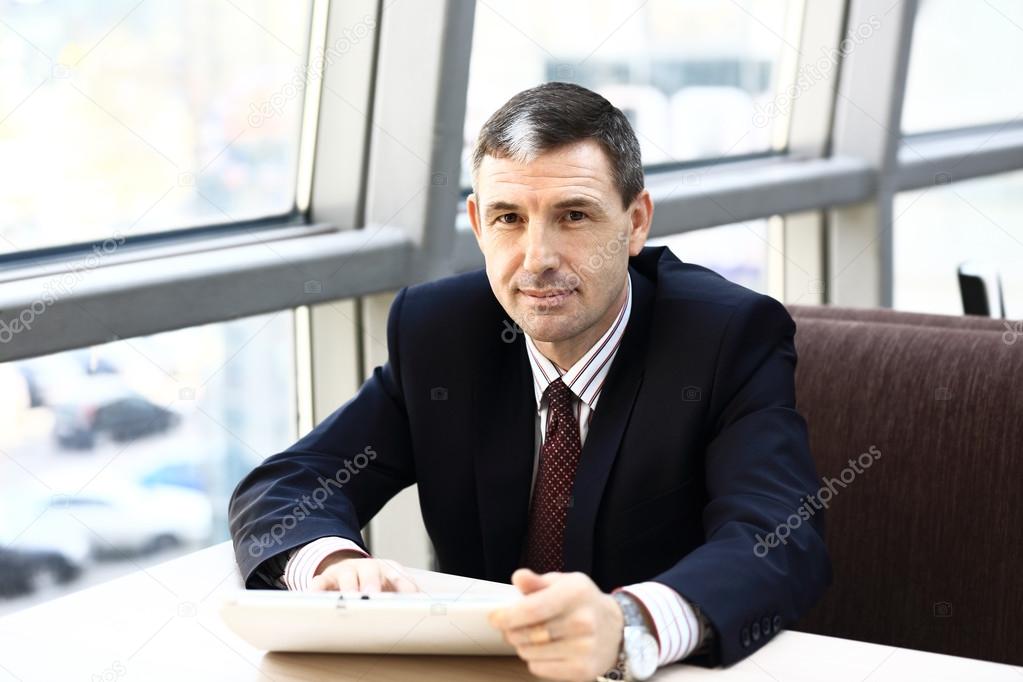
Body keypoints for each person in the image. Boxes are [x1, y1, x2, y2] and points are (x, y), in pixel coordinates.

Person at [229, 82, 830, 682]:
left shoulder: (726, 337)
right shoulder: (441, 332)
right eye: (509, 219)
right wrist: (332, 561)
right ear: (477, 223)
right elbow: (289, 483)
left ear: (636, 221)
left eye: (573, 216)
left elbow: (778, 538)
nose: (537, 258)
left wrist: (630, 625)